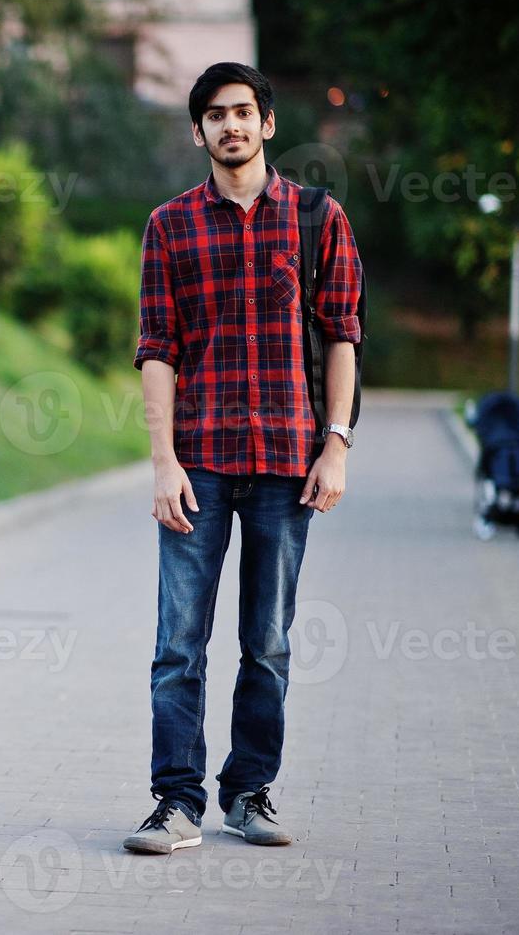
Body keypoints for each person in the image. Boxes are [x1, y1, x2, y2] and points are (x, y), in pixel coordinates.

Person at [122, 62, 363, 855]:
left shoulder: (316, 218)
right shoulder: (169, 226)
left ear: (266, 124)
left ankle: (249, 791)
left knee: (266, 640)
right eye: (214, 116)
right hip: (198, 460)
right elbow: (157, 348)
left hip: (287, 461)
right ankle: (176, 802)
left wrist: (335, 443)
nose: (229, 126)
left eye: (242, 112)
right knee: (177, 644)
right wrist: (161, 461)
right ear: (197, 132)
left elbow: (340, 337)